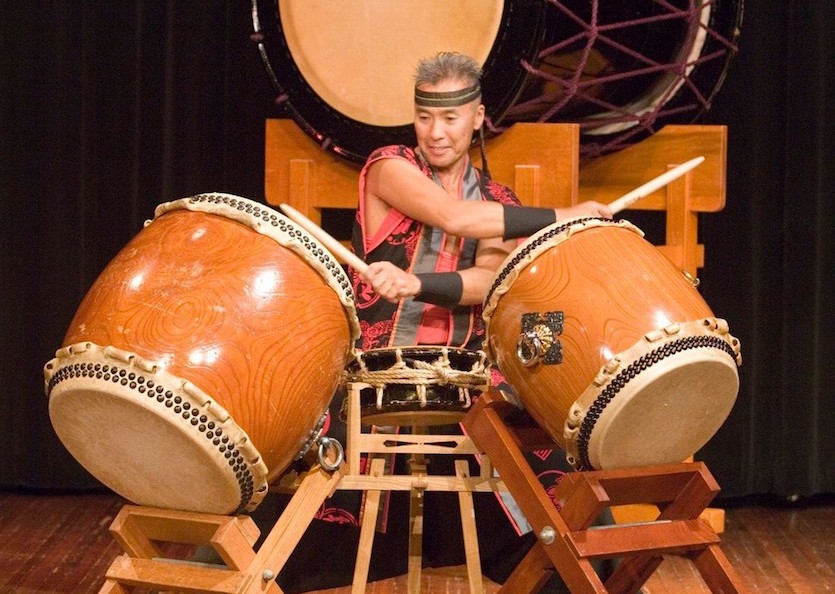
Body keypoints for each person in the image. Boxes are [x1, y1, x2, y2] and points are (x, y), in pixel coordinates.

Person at [262, 52, 615, 592]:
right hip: (374, 380)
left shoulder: (499, 202)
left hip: (466, 383)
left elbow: (484, 282)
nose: (437, 132)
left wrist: (420, 284)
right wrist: (564, 215)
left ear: (478, 116)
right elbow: (453, 217)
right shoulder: (390, 166)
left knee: (555, 486)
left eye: (451, 118)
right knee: (286, 504)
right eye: (425, 117)